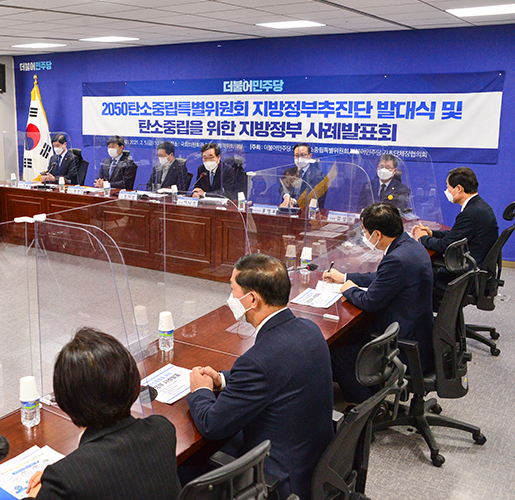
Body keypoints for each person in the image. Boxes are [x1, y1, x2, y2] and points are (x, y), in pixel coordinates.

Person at [187, 254, 333, 500]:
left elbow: (212, 424)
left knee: (186, 471)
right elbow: (275, 375)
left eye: (233, 289)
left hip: (280, 480)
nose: (231, 298)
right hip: (315, 464)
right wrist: (222, 380)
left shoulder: (257, 361)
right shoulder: (309, 328)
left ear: (252, 299)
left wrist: (200, 390)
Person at [26, 327, 180, 500]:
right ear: (133, 381)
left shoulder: (64, 480)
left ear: (65, 400)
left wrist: (39, 492)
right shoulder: (162, 430)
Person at [324, 202, 434, 403]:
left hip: (402, 344)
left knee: (336, 356)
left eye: (365, 232)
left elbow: (370, 302)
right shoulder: (409, 246)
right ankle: (373, 392)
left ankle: (367, 408)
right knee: (350, 337)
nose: (365, 237)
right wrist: (345, 277)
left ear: (377, 234)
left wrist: (348, 289)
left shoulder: (396, 259)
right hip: (418, 334)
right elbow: (381, 278)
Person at [412, 167, 498, 281]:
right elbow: (456, 234)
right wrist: (432, 233)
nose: (446, 191)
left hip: (468, 274)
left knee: (417, 268)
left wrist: (423, 238)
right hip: (479, 267)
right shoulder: (480, 206)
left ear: (458, 189)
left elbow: (445, 246)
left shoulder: (470, 214)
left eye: (448, 187)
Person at [292, 143, 327, 209]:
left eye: (302, 155)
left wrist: (293, 201)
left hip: (309, 211)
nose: (299, 158)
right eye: (296, 155)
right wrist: (286, 196)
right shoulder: (290, 172)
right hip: (291, 210)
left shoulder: (318, 175)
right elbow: (284, 188)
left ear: (310, 156)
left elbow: (310, 196)